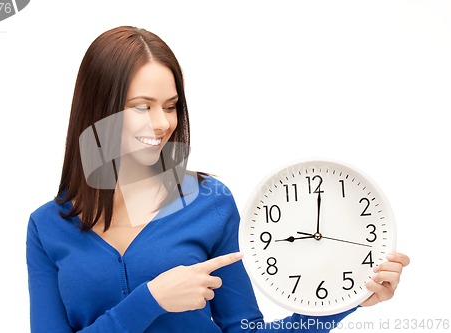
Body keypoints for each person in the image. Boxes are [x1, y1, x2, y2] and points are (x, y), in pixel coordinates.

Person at [26, 26, 410, 333]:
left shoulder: (210, 201)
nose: (162, 124)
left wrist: (346, 301)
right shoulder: (47, 227)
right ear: (100, 111)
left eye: (171, 106)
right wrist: (151, 299)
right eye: (142, 107)